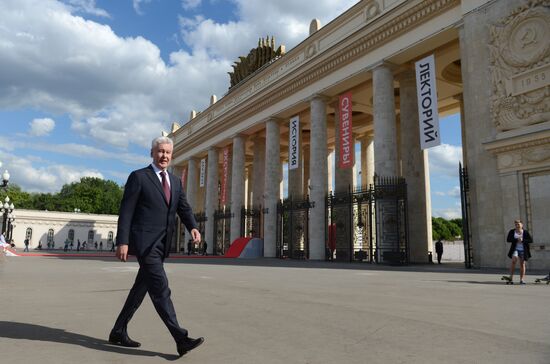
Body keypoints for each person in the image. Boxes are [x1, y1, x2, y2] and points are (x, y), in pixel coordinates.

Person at [109, 136, 204, 357]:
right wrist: (122, 241)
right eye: (160, 151)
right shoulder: (139, 177)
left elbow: (183, 208)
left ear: (172, 155)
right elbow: (126, 211)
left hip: (163, 244)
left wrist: (193, 227)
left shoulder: (175, 181)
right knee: (161, 289)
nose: (164, 156)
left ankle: (118, 330)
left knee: (140, 289)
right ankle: (181, 339)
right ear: (152, 153)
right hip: (144, 243)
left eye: (168, 153)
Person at [506, 219, 532, 285]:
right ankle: (510, 278)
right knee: (514, 260)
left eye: (518, 224)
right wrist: (516, 239)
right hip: (515, 249)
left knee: (522, 264)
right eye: (516, 224)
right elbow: (508, 239)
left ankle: (522, 279)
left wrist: (522, 240)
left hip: (523, 250)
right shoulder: (512, 231)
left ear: (522, 225)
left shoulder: (525, 232)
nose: (517, 225)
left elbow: (530, 240)